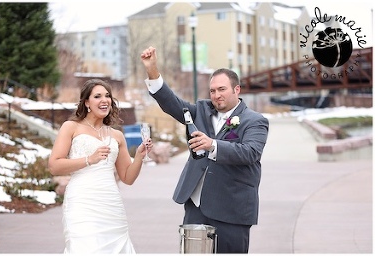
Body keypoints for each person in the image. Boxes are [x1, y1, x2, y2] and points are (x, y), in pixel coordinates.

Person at [140, 46, 269, 253]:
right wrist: (152, 71)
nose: (216, 95)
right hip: (196, 208)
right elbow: (171, 103)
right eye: (212, 90)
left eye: (222, 89)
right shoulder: (200, 110)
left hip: (232, 209)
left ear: (237, 90)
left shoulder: (255, 121)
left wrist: (213, 145)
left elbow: (251, 152)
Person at [48, 79, 153, 253]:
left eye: (107, 96)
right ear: (87, 102)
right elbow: (54, 165)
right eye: (97, 96)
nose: (104, 100)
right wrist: (89, 159)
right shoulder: (71, 127)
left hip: (110, 203)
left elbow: (127, 177)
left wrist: (140, 156)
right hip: (82, 201)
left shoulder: (117, 135)